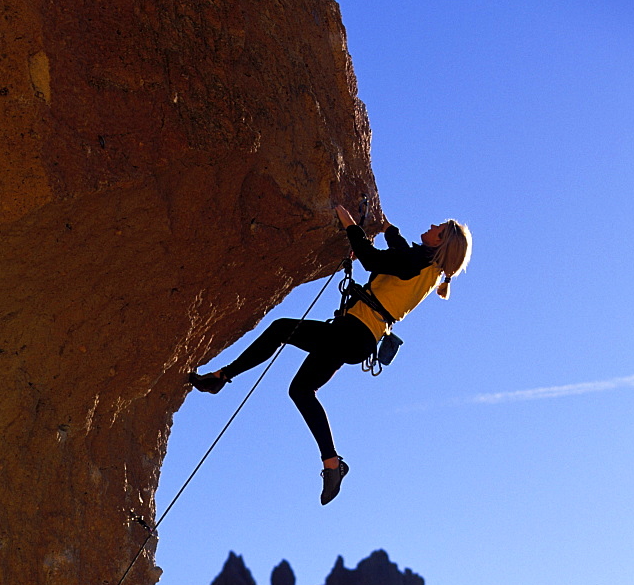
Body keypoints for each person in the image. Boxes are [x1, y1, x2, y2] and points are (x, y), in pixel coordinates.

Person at [189, 206, 472, 504]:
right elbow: (397, 251)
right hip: (357, 337)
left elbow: (373, 260)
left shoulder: (419, 261)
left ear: (440, 242)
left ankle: (224, 377)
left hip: (353, 332)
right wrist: (387, 228)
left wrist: (351, 225)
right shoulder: (426, 267)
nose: (430, 224)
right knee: (300, 388)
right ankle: (331, 463)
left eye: (437, 228)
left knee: (281, 332)